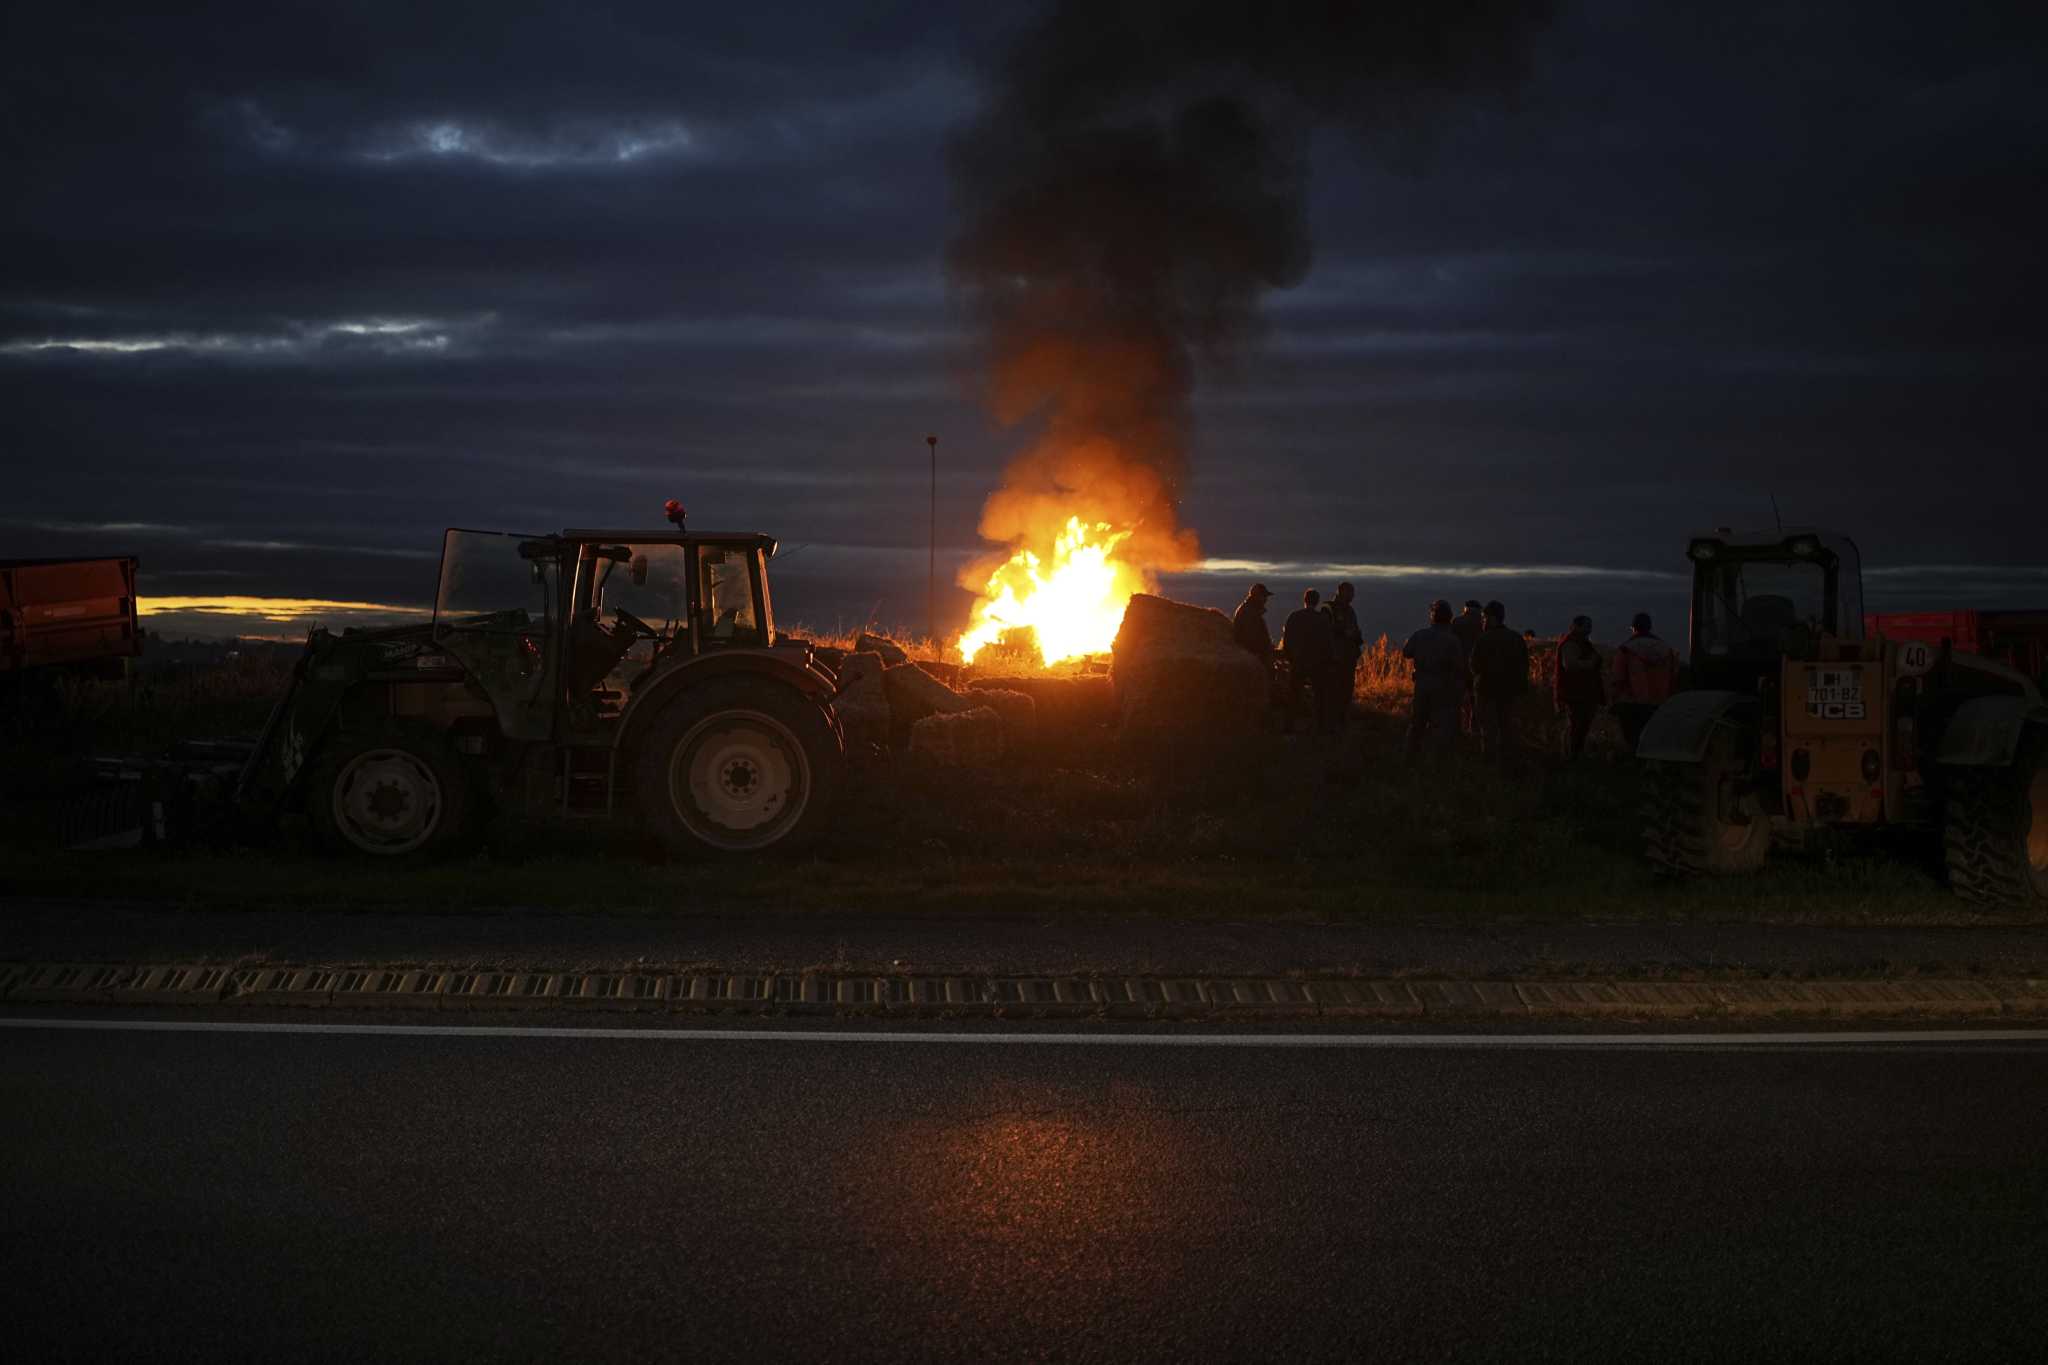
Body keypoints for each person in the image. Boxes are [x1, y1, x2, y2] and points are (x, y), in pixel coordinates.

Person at [1468, 599, 1531, 770]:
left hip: (1487, 691)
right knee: (1508, 729)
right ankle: (1508, 765)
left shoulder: (1484, 639)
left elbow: (1474, 666)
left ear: (1491, 618)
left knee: (1488, 731)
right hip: (1510, 692)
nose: (1483, 621)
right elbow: (1524, 666)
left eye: (1484, 618)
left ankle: (1489, 766)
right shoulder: (1516, 639)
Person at [1401, 599, 1464, 760]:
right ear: (1449, 617)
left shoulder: (1420, 634)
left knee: (1417, 723)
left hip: (1421, 685)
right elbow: (1458, 666)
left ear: (1432, 616)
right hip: (1443, 687)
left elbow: (1406, 652)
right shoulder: (1452, 640)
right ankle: (1436, 762)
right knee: (1440, 725)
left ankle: (1409, 758)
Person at [1610, 611, 1678, 755]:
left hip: (1631, 703)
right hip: (1659, 703)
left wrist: (1614, 699)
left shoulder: (1625, 649)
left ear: (1634, 628)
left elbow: (1618, 678)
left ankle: (1635, 767)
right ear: (1650, 627)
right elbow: (1673, 677)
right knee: (1653, 739)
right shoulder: (1666, 650)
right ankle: (1652, 766)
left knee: (1633, 740)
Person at [1281, 588, 1337, 734]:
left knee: (1294, 696)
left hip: (1298, 663)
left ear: (1304, 600)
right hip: (1317, 665)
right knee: (1319, 697)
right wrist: (1329, 662)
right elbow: (1328, 644)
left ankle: (1289, 727)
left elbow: (1287, 641)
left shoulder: (1293, 617)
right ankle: (1319, 728)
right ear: (1317, 601)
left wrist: (1290, 658)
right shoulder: (1322, 620)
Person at [1553, 614, 1605, 759]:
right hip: (1574, 693)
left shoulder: (1580, 643)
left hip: (1582, 692)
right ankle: (1571, 757)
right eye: (1587, 625)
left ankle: (1575, 756)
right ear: (1577, 626)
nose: (1590, 629)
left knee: (1580, 726)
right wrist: (1592, 662)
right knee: (1576, 726)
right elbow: (1571, 665)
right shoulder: (1570, 643)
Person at [1321, 582, 1364, 733]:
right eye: (1349, 592)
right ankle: (1328, 726)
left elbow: (1356, 630)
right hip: (1334, 659)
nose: (1352, 596)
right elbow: (1324, 630)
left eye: (1353, 593)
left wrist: (1356, 637)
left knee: (1346, 692)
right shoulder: (1328, 608)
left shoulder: (1350, 611)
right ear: (1340, 592)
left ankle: (1342, 723)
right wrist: (1344, 632)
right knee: (1332, 693)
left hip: (1348, 659)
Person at [1450, 600, 1485, 732]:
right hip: (1476, 668)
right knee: (1475, 700)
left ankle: (1456, 729)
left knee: (1456, 701)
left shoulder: (1456, 622)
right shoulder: (1481, 623)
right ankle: (1474, 728)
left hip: (1458, 667)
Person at [1232, 583, 1275, 661]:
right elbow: (1252, 639)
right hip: (1253, 658)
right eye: (1263, 596)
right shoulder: (1249, 613)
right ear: (1256, 596)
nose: (1266, 599)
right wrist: (1264, 653)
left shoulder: (1249, 610)